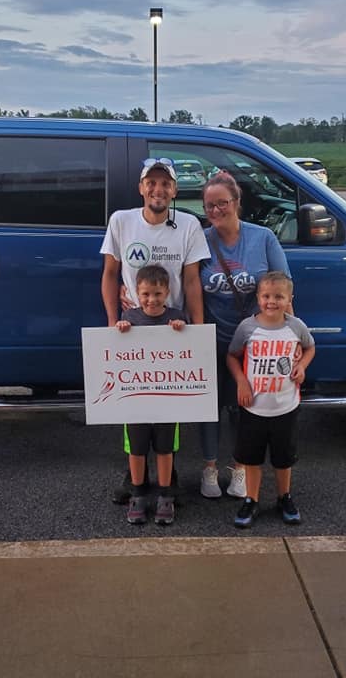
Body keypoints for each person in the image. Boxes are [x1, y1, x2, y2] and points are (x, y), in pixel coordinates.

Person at [101, 157, 210, 503]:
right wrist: (111, 322)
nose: (158, 189)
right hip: (133, 328)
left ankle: (167, 476)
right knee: (133, 407)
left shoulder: (189, 225)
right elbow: (110, 274)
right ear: (141, 187)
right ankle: (134, 476)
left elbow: (191, 281)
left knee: (168, 409)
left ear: (174, 190)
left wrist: (198, 330)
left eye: (165, 184)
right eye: (151, 182)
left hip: (172, 329)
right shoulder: (121, 221)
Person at [198, 171, 290, 499]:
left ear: (237, 202)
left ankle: (239, 468)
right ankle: (209, 468)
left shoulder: (262, 238)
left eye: (222, 203)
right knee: (208, 406)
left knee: (244, 406)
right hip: (212, 336)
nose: (216, 211)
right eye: (209, 205)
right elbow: (185, 286)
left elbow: (283, 288)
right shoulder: (200, 240)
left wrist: (289, 338)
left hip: (254, 341)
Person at [226, 271, 315, 527]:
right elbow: (232, 356)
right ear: (258, 298)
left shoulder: (296, 326)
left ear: (289, 299)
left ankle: (284, 497)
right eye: (266, 296)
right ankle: (251, 500)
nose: (271, 302)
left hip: (285, 407)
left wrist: (302, 366)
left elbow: (310, 347)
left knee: (283, 459)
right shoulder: (247, 327)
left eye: (278, 296)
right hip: (253, 408)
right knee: (251, 459)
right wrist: (241, 381)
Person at [115, 265, 188, 525]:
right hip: (136, 400)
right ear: (137, 293)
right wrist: (121, 327)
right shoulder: (130, 316)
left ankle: (166, 495)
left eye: (157, 293)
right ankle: (137, 494)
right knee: (136, 449)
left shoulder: (177, 316)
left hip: (168, 400)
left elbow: (189, 350)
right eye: (145, 294)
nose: (151, 299)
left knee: (165, 449)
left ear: (167, 292)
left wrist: (182, 328)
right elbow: (118, 350)